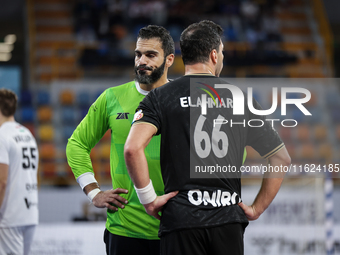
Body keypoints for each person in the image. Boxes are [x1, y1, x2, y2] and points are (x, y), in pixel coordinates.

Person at [124, 20, 291, 255]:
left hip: (181, 220)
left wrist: (149, 199)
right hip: (227, 221)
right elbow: (280, 158)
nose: (221, 57)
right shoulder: (241, 100)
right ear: (214, 55)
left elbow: (132, 148)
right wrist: (256, 208)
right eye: (221, 52)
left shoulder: (160, 97)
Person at [66, 25, 175, 255]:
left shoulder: (184, 100)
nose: (141, 61)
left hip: (175, 227)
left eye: (150, 55)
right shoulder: (112, 98)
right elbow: (76, 144)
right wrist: (94, 192)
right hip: (125, 230)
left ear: (169, 60)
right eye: (138, 54)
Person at [0, 88, 39, 255]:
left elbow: (1, 182)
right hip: (30, 212)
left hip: (10, 215)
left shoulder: (2, 135)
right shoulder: (27, 133)